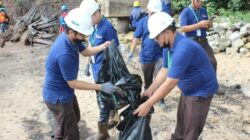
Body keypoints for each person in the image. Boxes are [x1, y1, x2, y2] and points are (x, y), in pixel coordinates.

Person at [133, 12, 218, 140]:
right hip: (188, 90)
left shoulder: (183, 48)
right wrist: (150, 90)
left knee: (190, 134)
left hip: (200, 92)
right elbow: (164, 71)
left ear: (167, 32)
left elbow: (169, 84)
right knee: (180, 129)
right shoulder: (168, 46)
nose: (156, 41)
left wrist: (148, 104)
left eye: (157, 37)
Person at [43, 8, 118, 140]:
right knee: (72, 133)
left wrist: (103, 46)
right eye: (83, 35)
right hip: (58, 97)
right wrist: (101, 86)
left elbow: (86, 52)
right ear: (71, 32)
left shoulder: (72, 39)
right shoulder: (64, 52)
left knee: (75, 117)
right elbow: (73, 83)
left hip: (65, 92)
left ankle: (60, 134)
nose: (85, 37)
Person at [80, 0, 119, 139]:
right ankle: (112, 115)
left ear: (97, 13)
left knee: (102, 100)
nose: (88, 21)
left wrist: (113, 71)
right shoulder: (94, 27)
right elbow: (90, 45)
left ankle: (103, 133)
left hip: (106, 71)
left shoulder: (107, 28)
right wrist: (87, 64)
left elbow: (115, 51)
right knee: (103, 97)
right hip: (96, 68)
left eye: (89, 17)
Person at [128, 0, 167, 109]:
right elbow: (136, 37)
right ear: (148, 10)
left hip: (160, 55)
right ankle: (148, 100)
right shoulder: (143, 22)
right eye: (152, 12)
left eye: (156, 13)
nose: (154, 14)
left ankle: (161, 99)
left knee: (160, 79)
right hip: (147, 56)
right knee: (148, 80)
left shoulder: (162, 21)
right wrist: (131, 51)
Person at [179, 0, 217, 72]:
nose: (201, 3)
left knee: (212, 62)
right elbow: (182, 29)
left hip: (204, 41)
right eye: (200, 2)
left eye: (202, 2)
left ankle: (213, 82)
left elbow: (206, 26)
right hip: (192, 42)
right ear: (193, 1)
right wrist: (198, 25)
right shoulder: (186, 12)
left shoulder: (203, 10)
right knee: (196, 66)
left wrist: (209, 25)